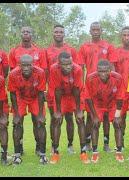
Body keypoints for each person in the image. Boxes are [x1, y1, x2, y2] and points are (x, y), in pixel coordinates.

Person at [78, 22, 117, 152]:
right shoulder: (84, 47)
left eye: (98, 29)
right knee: (90, 116)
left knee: (106, 116)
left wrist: (114, 84)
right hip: (91, 87)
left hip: (106, 87)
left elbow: (112, 66)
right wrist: (82, 85)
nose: (95, 31)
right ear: (90, 31)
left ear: (101, 31)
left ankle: (106, 144)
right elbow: (81, 68)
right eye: (93, 29)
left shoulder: (108, 46)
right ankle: (88, 143)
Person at [8, 26, 47, 155]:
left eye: (28, 32)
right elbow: (13, 89)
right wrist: (16, 113)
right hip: (20, 94)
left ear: (32, 34)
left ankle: (39, 148)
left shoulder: (39, 52)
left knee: (39, 121)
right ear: (20, 34)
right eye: (23, 31)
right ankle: (19, 149)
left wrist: (41, 112)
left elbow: (43, 73)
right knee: (18, 121)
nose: (26, 34)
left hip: (35, 92)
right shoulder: (14, 52)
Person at [48, 51, 89, 164]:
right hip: (61, 95)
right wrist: (58, 111)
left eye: (70, 63)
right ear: (59, 64)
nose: (68, 66)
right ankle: (55, 152)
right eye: (65, 64)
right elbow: (57, 90)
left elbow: (76, 90)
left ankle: (83, 151)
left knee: (80, 119)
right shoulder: (53, 69)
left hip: (75, 94)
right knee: (57, 120)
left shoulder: (77, 69)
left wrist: (79, 110)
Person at [46, 25, 80, 154]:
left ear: (64, 34)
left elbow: (76, 69)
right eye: (56, 32)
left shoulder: (71, 49)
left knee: (69, 118)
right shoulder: (47, 50)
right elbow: (45, 70)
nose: (58, 33)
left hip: (69, 91)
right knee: (54, 118)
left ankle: (70, 145)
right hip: (53, 90)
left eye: (61, 32)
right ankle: (54, 145)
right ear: (53, 33)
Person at [84, 59, 125, 163]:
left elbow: (120, 97)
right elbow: (88, 98)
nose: (103, 74)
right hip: (97, 105)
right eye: (100, 71)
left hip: (113, 104)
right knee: (95, 124)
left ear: (110, 70)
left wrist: (117, 115)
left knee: (118, 124)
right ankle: (95, 152)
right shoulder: (90, 78)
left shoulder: (118, 78)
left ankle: (119, 152)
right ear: (97, 70)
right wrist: (94, 116)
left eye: (105, 71)